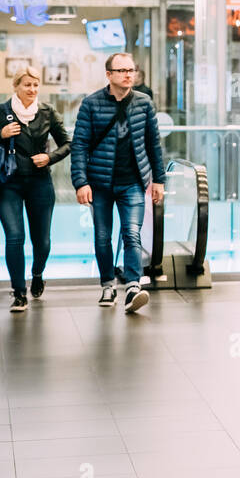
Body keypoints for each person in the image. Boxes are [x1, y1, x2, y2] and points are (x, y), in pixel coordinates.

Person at [71, 52, 165, 314]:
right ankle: (107, 285)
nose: (128, 75)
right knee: (102, 237)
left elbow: (153, 144)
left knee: (131, 233)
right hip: (99, 183)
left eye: (131, 70)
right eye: (122, 70)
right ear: (109, 75)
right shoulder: (91, 104)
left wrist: (159, 179)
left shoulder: (144, 103)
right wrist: (80, 182)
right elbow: (79, 146)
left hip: (132, 182)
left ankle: (133, 286)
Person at [0, 68, 71, 313]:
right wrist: (1, 133)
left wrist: (49, 158)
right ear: (16, 86)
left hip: (40, 181)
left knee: (43, 242)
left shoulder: (47, 112)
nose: (32, 89)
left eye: (35, 85)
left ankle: (37, 274)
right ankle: (19, 292)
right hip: (8, 183)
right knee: (15, 237)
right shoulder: (1, 112)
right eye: (27, 85)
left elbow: (69, 143)